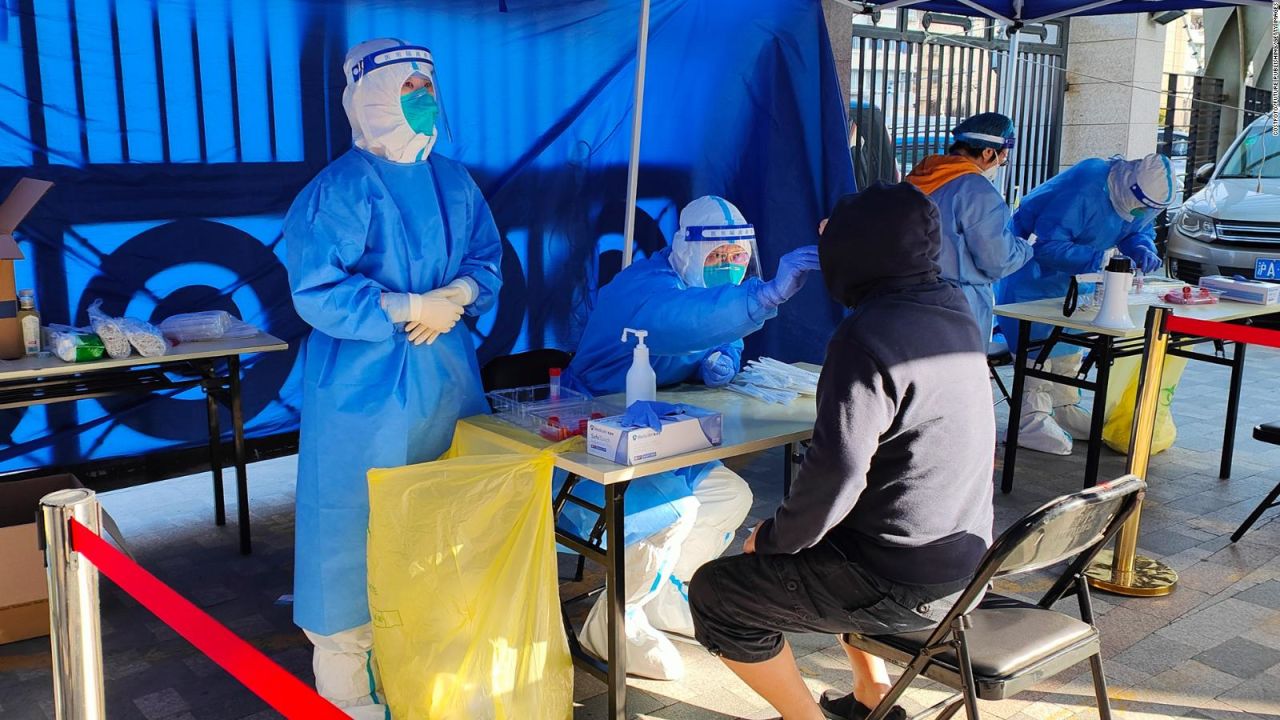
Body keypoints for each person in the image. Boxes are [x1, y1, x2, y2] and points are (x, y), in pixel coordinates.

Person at [688, 182, 995, 720]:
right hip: (967, 557)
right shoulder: (952, 307)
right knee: (837, 534)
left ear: (860, 251)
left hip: (902, 579)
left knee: (718, 593)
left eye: (836, 237)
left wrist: (775, 538)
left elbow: (838, 472)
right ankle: (872, 695)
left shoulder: (866, 337)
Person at [283, 38, 503, 717]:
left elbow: (488, 259)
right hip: (360, 389)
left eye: (429, 87)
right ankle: (345, 684)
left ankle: (425, 661)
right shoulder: (338, 191)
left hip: (445, 378)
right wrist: (405, 306)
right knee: (350, 525)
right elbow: (316, 290)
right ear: (370, 98)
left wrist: (460, 295)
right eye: (409, 89)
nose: (424, 100)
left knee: (442, 517)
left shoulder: (456, 182)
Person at [560, 195, 821, 680]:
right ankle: (614, 621)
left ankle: (661, 593)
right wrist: (760, 299)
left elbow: (717, 322)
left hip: (663, 433)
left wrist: (724, 354)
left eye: (737, 258)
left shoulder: (699, 284)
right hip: (594, 437)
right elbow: (681, 320)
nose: (728, 267)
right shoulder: (641, 287)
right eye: (717, 257)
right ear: (686, 247)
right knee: (672, 512)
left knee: (728, 495)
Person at [997, 153, 1173, 455]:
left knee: (1068, 342)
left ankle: (1064, 405)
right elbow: (1047, 246)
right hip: (1033, 279)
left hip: (1077, 280)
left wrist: (1142, 246)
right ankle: (1029, 417)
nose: (1143, 211)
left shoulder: (1140, 196)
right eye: (1142, 205)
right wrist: (1099, 259)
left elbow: (1136, 228)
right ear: (1130, 186)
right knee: (1037, 346)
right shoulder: (1086, 186)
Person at [905, 113, 1033, 342]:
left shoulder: (919, 178)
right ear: (987, 152)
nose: (1001, 164)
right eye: (1002, 157)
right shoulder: (977, 191)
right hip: (956, 305)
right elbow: (997, 260)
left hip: (906, 297)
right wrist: (1025, 247)